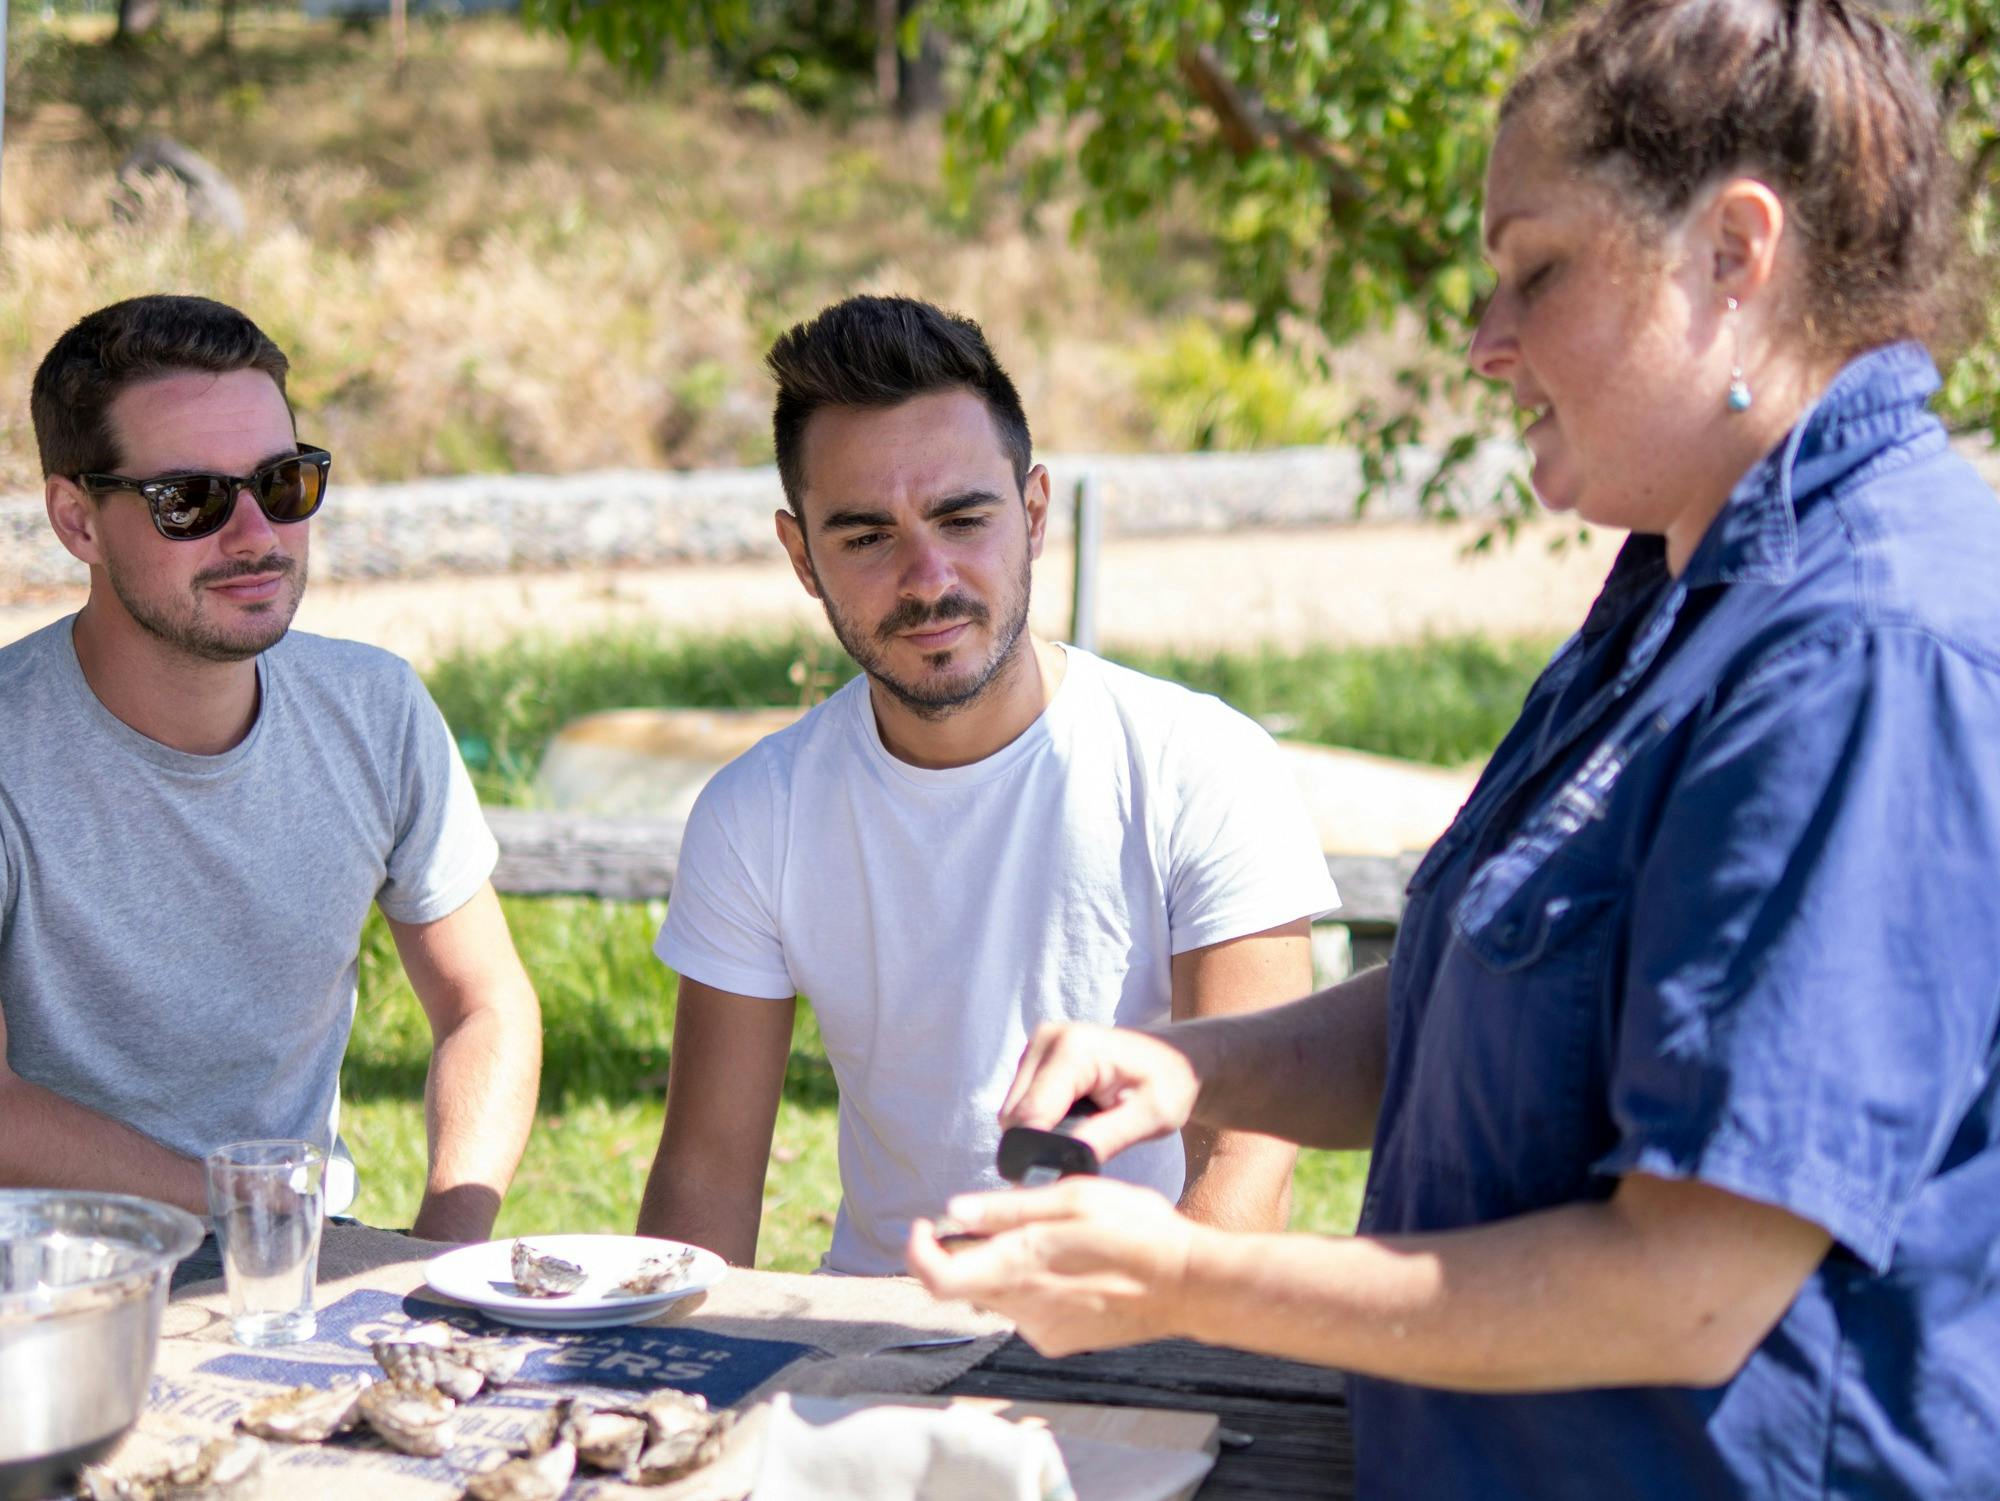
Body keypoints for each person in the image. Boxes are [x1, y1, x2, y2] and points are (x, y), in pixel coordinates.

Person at [908, 2, 2000, 1495]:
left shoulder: (1864, 648)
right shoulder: (1687, 593)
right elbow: (1483, 1017)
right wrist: (1183, 1066)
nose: (1485, 345)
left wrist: (1183, 1281)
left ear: (1735, 255)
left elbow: (1689, 1288)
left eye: (1533, 270)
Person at [637, 294, 1337, 1274]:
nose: (929, 577)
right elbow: (706, 1173)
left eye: (963, 516)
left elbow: (1243, 1160)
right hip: (873, 1338)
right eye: (865, 536)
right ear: (802, 557)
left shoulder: (1200, 763)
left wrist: (1165, 1365)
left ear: (1034, 512)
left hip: (1147, 1323)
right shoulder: (757, 812)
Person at [0, 294, 542, 1242]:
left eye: (284, 483)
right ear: (77, 521)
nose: (256, 535)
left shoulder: (375, 708)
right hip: (43, 1289)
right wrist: (246, 1206)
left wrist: (441, 1250)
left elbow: (485, 1001)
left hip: (296, 1265)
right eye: (190, 500)